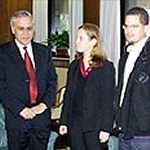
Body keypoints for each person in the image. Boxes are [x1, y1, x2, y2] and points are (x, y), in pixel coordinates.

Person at [0, 10, 57, 150]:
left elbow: (52, 81)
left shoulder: (44, 52)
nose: (26, 33)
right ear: (13, 29)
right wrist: (20, 109)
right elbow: (1, 86)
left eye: (29, 28)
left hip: (41, 119)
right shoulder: (3, 54)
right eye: (21, 29)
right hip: (17, 119)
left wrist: (43, 105)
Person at [59, 23, 116, 150]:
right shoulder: (74, 66)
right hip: (75, 123)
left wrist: (106, 128)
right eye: (77, 37)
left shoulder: (106, 67)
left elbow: (108, 100)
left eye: (81, 38)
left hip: (95, 126)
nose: (76, 41)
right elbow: (69, 96)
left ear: (93, 41)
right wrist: (64, 121)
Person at [116, 7, 150, 150]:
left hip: (145, 134)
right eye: (126, 26)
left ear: (146, 28)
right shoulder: (125, 55)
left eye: (135, 26)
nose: (129, 31)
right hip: (124, 130)